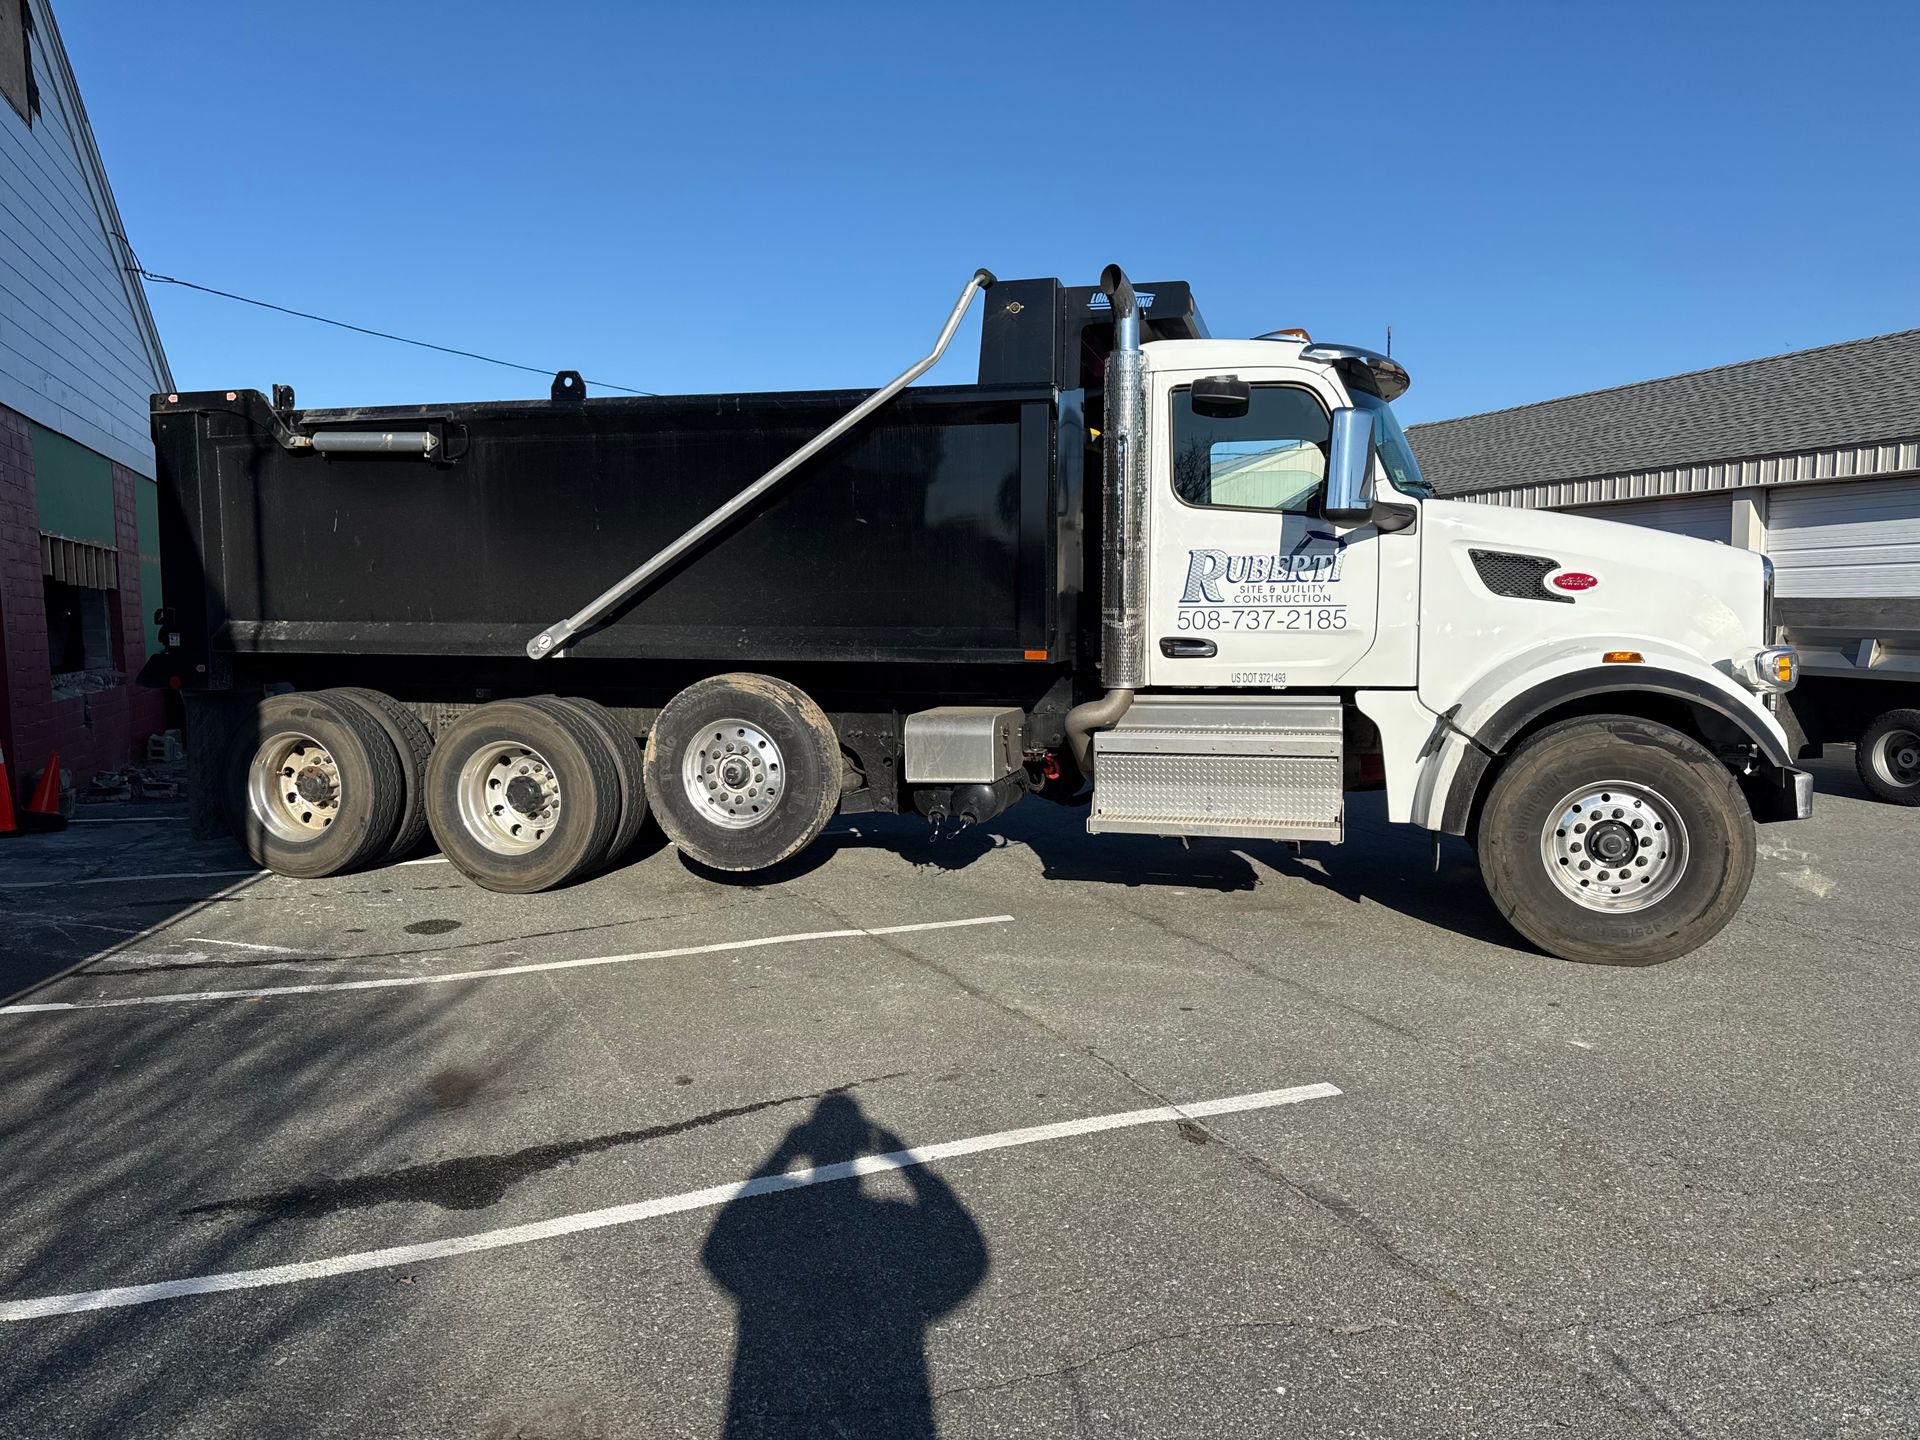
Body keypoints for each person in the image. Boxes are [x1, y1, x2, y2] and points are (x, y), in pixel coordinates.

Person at [702, 1094, 989, 1439]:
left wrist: (781, 1155)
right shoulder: (891, 1220)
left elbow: (718, 1248)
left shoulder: (790, 1210)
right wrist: (908, 1165)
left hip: (777, 1381)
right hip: (887, 1382)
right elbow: (964, 1249)